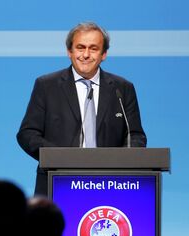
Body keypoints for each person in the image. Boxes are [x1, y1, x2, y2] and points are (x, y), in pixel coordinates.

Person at [17, 21, 147, 196]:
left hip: (109, 185)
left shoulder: (122, 88)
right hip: (57, 182)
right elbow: (27, 134)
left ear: (104, 54)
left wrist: (121, 164)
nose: (86, 54)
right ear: (69, 52)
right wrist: (60, 158)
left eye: (93, 48)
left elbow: (135, 135)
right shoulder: (47, 86)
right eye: (80, 47)